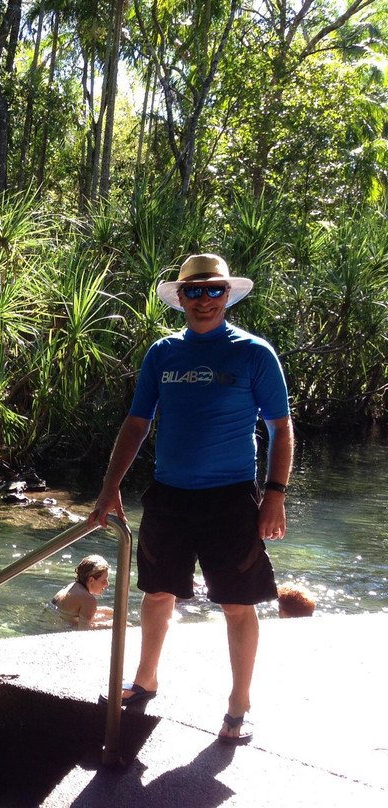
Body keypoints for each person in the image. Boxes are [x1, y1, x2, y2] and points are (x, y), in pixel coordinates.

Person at [87, 253, 293, 746]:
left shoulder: (253, 352)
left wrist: (275, 495)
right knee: (157, 591)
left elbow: (280, 429)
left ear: (228, 294)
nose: (205, 300)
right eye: (194, 291)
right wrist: (110, 486)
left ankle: (239, 702)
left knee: (237, 603)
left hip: (231, 498)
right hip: (170, 494)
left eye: (214, 290)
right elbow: (137, 423)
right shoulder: (163, 353)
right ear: (180, 298)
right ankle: (145, 682)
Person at [50, 555, 114, 629]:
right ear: (91, 580)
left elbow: (72, 614)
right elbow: (84, 630)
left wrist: (105, 611)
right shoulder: (88, 600)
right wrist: (110, 624)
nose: (107, 584)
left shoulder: (70, 587)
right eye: (104, 580)